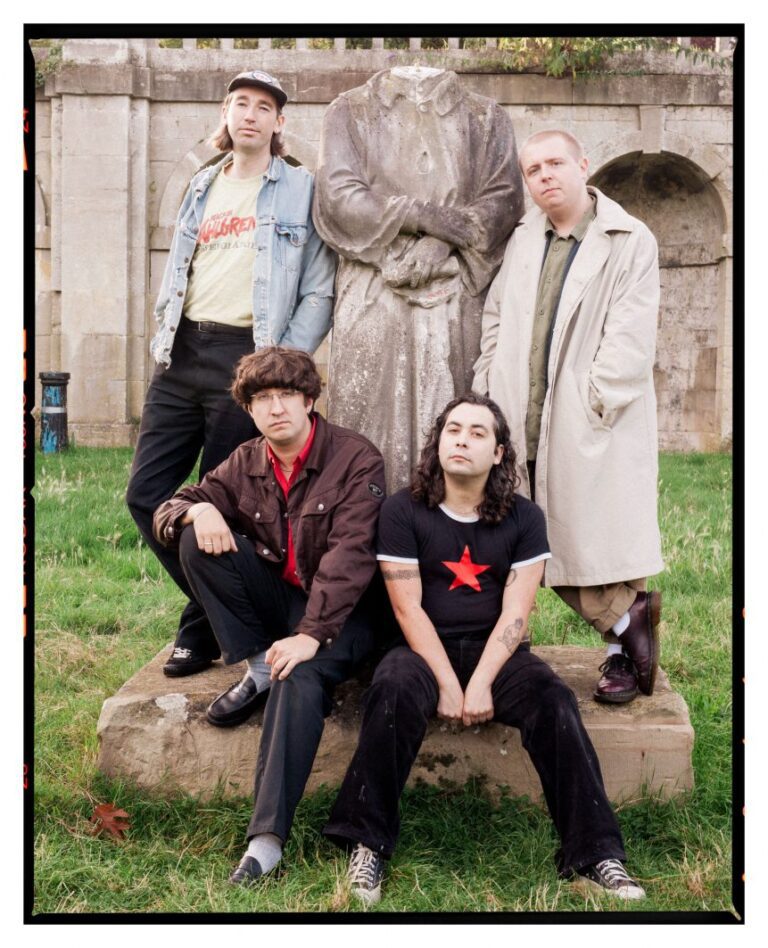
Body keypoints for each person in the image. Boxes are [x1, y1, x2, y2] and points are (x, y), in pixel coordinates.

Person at [323, 394, 645, 904]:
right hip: (420, 649)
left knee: (554, 701)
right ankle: (368, 845)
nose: (462, 440)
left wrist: (479, 683)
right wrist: (448, 684)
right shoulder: (403, 510)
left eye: (477, 433)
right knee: (392, 690)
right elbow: (408, 610)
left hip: (497, 651)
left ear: (497, 453)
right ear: (438, 442)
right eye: (453, 430)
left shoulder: (524, 518)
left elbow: (516, 614)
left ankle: (595, 855)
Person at [126, 70, 336, 678]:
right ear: (225, 113)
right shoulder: (202, 183)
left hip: (248, 355)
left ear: (278, 122)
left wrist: (278, 368)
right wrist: (163, 332)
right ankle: (227, 614)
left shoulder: (300, 189)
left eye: (264, 107)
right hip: (182, 351)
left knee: (226, 501)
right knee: (146, 494)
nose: (250, 114)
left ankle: (199, 634)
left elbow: (320, 290)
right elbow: (181, 270)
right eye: (240, 103)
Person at [153, 347, 386, 884]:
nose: (275, 408)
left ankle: (266, 842)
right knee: (195, 538)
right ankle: (258, 663)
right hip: (284, 603)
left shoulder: (355, 458)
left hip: (346, 615)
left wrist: (310, 636)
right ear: (250, 409)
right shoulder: (246, 459)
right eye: (262, 399)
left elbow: (351, 557)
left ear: (309, 401)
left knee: (297, 674)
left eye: (286, 395)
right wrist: (199, 509)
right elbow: (170, 506)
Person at [472, 129, 664, 705]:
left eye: (555, 163)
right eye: (533, 170)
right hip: (518, 409)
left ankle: (620, 648)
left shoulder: (629, 238)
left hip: (590, 416)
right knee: (524, 533)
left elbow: (631, 335)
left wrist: (595, 399)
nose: (544, 176)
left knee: (598, 536)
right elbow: (496, 315)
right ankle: (626, 619)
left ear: (583, 165)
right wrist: (487, 383)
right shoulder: (524, 237)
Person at [313, 66, 523, 493]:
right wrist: (423, 218)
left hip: (456, 291)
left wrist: (441, 245)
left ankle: (456, 525)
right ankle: (362, 525)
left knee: (457, 415)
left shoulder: (486, 117)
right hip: (373, 290)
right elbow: (338, 198)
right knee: (367, 426)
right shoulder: (349, 110)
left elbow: (504, 199)